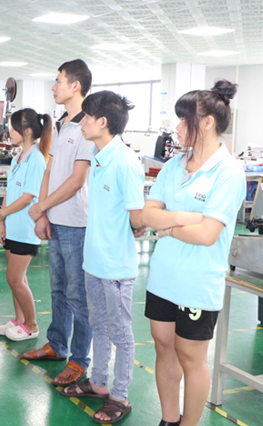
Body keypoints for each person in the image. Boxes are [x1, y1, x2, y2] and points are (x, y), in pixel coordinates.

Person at [141, 80, 245, 426]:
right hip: (163, 277)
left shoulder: (228, 172)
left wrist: (166, 225)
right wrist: (180, 220)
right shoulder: (173, 166)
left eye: (183, 120)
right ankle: (169, 420)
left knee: (191, 357)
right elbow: (147, 214)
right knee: (163, 347)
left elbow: (206, 234)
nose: (178, 128)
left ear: (206, 122)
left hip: (197, 282)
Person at [59, 91, 145, 424]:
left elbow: (137, 217)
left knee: (121, 333)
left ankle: (120, 395)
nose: (82, 122)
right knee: (99, 326)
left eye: (87, 116)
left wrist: (139, 224)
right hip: (93, 261)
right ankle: (99, 382)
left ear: (102, 122)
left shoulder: (125, 162)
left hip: (116, 267)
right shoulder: (98, 156)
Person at [24, 59, 94, 388]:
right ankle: (57, 344)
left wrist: (42, 206)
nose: (54, 87)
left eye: (58, 81)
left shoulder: (88, 126)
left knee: (78, 296)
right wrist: (43, 212)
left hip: (77, 224)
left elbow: (77, 180)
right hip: (56, 218)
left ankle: (79, 360)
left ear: (75, 85)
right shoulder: (64, 122)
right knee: (57, 290)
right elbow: (50, 172)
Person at [0, 108, 52, 342]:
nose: (9, 132)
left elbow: (28, 197)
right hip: (12, 225)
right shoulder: (19, 157)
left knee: (15, 279)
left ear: (27, 131)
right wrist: (3, 221)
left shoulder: (37, 159)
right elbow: (10, 191)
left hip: (26, 228)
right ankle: (19, 320)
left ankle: (32, 325)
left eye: (13, 127)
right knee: (17, 279)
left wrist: (3, 212)